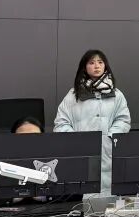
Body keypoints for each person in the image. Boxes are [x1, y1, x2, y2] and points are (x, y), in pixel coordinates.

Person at [54, 49, 132, 194]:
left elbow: (123, 120)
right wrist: (77, 140)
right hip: (80, 151)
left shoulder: (117, 94)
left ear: (105, 66)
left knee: (109, 194)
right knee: (82, 190)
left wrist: (110, 137)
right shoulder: (73, 95)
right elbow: (61, 123)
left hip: (109, 150)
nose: (97, 66)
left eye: (100, 62)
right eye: (91, 63)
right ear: (84, 67)